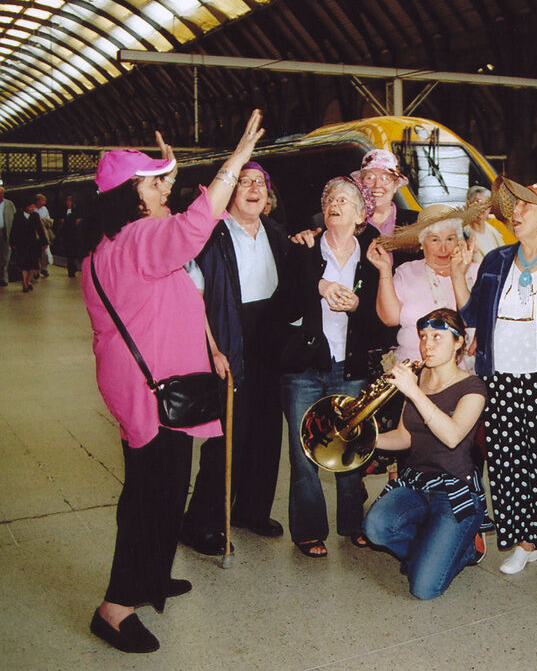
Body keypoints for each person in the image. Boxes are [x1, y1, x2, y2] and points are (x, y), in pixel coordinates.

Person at [80, 110, 265, 653]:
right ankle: (116, 608)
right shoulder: (141, 239)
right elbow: (191, 226)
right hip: (155, 392)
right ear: (132, 196)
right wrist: (234, 161)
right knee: (153, 495)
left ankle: (152, 575)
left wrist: (167, 167)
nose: (167, 189)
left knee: (156, 488)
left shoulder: (108, 247)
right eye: (155, 184)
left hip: (141, 385)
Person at [460, 177, 537, 584]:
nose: (516, 213)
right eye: (515, 206)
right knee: (508, 462)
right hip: (500, 377)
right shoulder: (496, 260)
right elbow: (471, 314)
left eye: (526, 206)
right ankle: (525, 542)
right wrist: (458, 273)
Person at [180, 161, 292, 556]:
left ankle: (251, 510)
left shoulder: (276, 233)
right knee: (228, 436)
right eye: (244, 182)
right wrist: (212, 347)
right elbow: (194, 299)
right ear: (229, 193)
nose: (254, 188)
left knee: (266, 431)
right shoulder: (212, 235)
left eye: (260, 182)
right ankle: (201, 523)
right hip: (229, 338)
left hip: (269, 342)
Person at [279, 175, 381, 557]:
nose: (334, 205)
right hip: (303, 368)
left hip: (349, 367)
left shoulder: (371, 258)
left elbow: (380, 320)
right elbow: (283, 305)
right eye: (329, 200)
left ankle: (353, 523)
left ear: (360, 215)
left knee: (351, 447)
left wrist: (358, 307)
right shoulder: (303, 249)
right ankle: (308, 531)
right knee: (303, 451)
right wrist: (319, 286)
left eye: (343, 200)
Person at [363, 308, 487, 599]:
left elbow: (452, 436)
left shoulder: (473, 387)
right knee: (375, 527)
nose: (426, 345)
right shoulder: (419, 379)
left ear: (458, 342)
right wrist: (366, 440)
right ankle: (435, 547)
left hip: (455, 491)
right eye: (422, 337)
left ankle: (467, 547)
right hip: (417, 483)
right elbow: (405, 436)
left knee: (424, 589)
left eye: (437, 337)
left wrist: (414, 393)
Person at [368, 204, 478, 364]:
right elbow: (390, 318)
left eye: (450, 239)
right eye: (435, 240)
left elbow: (479, 319)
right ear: (421, 243)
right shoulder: (406, 272)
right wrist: (384, 271)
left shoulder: (477, 272)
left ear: (459, 241)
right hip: (413, 367)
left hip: (466, 370)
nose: (443, 248)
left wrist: (458, 274)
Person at [353, 149, 418, 236]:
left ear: (395, 185)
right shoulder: (348, 221)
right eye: (370, 178)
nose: (377, 185)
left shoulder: (415, 221)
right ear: (360, 183)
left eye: (385, 178)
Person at [10, 200, 46, 292]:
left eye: (33, 207)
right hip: (21, 243)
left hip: (33, 243)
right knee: (23, 264)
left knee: (33, 264)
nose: (32, 209)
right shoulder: (18, 215)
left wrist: (44, 241)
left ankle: (28, 280)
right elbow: (14, 229)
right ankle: (25, 284)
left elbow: (40, 229)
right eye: (30, 207)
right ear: (25, 207)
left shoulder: (35, 215)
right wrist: (12, 242)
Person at [464, 185, 504, 259]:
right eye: (478, 203)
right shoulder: (462, 234)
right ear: (468, 204)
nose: (483, 209)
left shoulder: (494, 232)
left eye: (487, 204)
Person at [56, 194, 83, 277]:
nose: (68, 203)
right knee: (69, 253)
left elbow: (78, 221)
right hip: (66, 234)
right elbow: (61, 221)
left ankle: (75, 267)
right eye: (67, 201)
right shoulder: (63, 210)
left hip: (75, 234)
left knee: (75, 252)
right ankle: (71, 269)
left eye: (70, 201)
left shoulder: (77, 210)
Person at [34, 193, 54, 277]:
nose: (45, 202)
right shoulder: (33, 208)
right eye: (43, 200)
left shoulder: (45, 209)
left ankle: (44, 268)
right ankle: (36, 270)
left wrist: (43, 220)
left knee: (44, 252)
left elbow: (49, 220)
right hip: (35, 233)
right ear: (38, 201)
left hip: (44, 232)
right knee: (36, 252)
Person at [0, 186, 15, 286]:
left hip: (5, 233)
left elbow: (15, 218)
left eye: (1, 193)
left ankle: (2, 277)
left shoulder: (9, 204)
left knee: (4, 257)